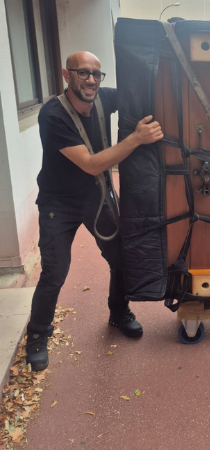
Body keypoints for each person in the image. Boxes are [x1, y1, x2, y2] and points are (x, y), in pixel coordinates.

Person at [26, 51, 164, 371]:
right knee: (55, 272)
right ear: (66, 75)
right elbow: (90, 164)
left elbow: (139, 93)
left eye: (96, 74)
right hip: (58, 204)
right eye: (82, 73)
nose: (90, 80)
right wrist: (136, 139)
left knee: (122, 258)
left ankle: (119, 312)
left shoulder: (104, 98)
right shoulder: (53, 115)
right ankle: (37, 334)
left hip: (96, 197)